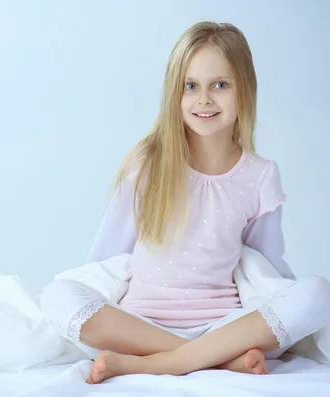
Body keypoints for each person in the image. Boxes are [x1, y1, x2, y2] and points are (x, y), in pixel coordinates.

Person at [39, 21, 330, 384]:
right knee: (56, 295)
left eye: (220, 85)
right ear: (174, 93)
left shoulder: (260, 175)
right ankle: (212, 361)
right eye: (190, 86)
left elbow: (265, 270)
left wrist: (290, 314)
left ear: (245, 91)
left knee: (319, 292)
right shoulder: (148, 162)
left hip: (226, 328)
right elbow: (107, 254)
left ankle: (161, 363)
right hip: (139, 327)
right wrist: (95, 309)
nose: (204, 99)